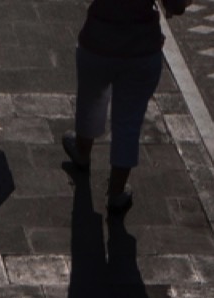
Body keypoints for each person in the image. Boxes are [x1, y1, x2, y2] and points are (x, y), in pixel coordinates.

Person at [62, 0, 190, 214]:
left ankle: (82, 151)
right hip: (141, 49)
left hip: (98, 40)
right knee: (128, 123)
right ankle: (116, 192)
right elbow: (177, 5)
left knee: (90, 100)